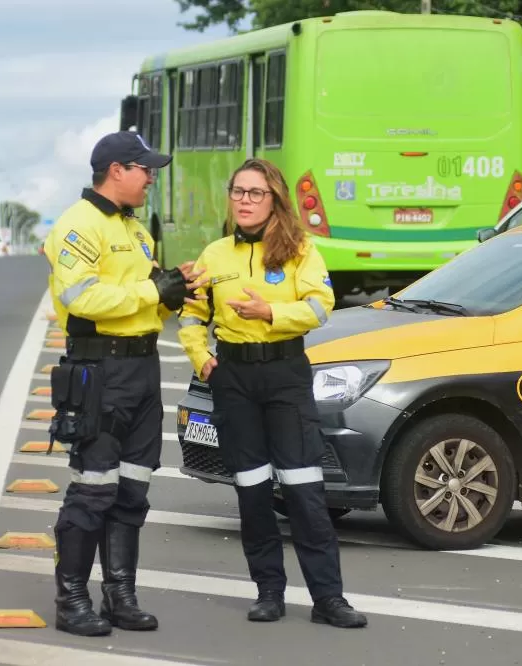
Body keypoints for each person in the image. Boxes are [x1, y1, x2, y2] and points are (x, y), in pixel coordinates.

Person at [177, 158, 368, 629]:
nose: (244, 200)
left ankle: (329, 599)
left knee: (304, 491)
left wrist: (270, 312)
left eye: (254, 193)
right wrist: (201, 359)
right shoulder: (214, 254)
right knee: (252, 491)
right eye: (238, 192)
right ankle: (268, 592)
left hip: (285, 373)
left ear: (274, 199)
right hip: (234, 380)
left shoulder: (300, 249)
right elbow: (191, 315)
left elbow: (320, 307)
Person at [43, 130, 205, 637]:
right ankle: (72, 600)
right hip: (100, 369)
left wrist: (172, 292)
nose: (151, 177)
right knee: (94, 489)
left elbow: (142, 298)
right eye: (144, 169)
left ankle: (120, 596)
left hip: (142, 368)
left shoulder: (135, 229)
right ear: (117, 170)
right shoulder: (78, 226)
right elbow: (83, 299)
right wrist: (152, 288)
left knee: (133, 488)